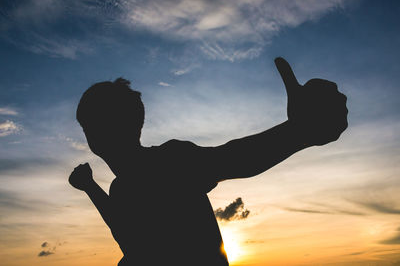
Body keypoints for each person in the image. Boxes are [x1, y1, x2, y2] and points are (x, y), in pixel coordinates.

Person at [69, 57, 348, 265]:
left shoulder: (168, 162)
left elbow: (233, 158)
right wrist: (91, 187)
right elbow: (127, 233)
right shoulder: (123, 189)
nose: (95, 132)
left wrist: (301, 131)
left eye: (94, 125)